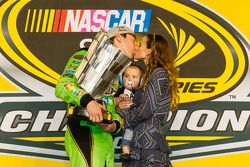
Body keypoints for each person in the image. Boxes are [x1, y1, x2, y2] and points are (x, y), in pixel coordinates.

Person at [55, 26, 136, 167]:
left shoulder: (118, 71)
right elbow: (64, 85)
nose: (136, 46)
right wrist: (88, 102)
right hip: (83, 131)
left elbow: (112, 106)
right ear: (119, 37)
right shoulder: (88, 55)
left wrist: (113, 125)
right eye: (133, 41)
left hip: (105, 139)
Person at [123, 33, 179, 167]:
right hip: (141, 143)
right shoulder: (151, 74)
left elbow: (146, 110)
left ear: (149, 50)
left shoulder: (158, 73)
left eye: (140, 44)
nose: (136, 46)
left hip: (149, 146)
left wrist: (127, 115)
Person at [113, 62, 145, 160]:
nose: (129, 79)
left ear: (141, 81)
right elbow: (112, 103)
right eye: (126, 76)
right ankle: (125, 153)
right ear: (121, 79)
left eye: (134, 77)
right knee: (127, 134)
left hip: (136, 120)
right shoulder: (119, 90)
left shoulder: (141, 92)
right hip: (124, 118)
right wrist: (118, 99)